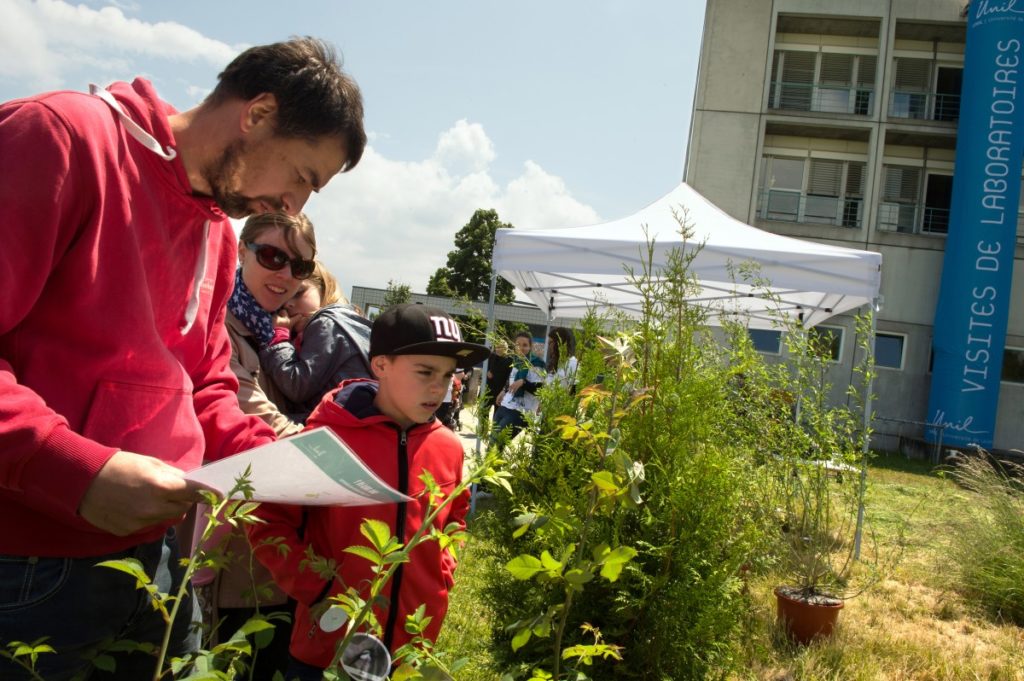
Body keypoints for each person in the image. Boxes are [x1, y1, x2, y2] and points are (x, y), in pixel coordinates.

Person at [0, 36, 367, 680]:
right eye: (303, 177)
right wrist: (75, 471)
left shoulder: (217, 234)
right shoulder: (62, 139)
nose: (292, 207)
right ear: (257, 114)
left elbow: (204, 384)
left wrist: (280, 464)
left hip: (154, 555)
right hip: (29, 564)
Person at [247, 304, 490, 679]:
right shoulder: (329, 439)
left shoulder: (449, 447)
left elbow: (455, 516)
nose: (438, 388)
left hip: (412, 650)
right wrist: (318, 589)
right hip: (327, 649)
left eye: (447, 375)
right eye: (424, 371)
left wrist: (443, 573)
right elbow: (267, 520)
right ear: (380, 366)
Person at [193, 211, 319, 680]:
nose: (285, 275)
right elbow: (249, 412)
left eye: (300, 267)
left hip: (275, 548)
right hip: (230, 552)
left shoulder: (273, 332)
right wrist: (339, 461)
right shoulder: (219, 326)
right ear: (241, 251)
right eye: (272, 256)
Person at [260, 261, 373, 421]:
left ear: (323, 288)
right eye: (284, 297)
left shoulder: (327, 323)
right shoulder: (345, 319)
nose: (289, 304)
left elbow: (297, 386)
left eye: (298, 293)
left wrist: (278, 338)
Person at [491, 331, 546, 447]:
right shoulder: (517, 361)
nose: (521, 348)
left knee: (496, 445)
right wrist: (503, 391)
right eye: (517, 344)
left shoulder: (536, 365)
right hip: (505, 405)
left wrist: (523, 382)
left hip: (520, 411)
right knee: (493, 445)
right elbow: (511, 380)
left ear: (530, 347)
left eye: (525, 345)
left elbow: (539, 391)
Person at [485, 340, 514, 417]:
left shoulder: (510, 360)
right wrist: (487, 372)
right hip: (489, 389)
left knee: (496, 415)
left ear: (505, 349)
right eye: (497, 347)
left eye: (500, 347)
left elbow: (509, 377)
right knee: (484, 412)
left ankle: (494, 429)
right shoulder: (491, 356)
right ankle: (483, 428)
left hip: (500, 391)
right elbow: (486, 368)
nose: (498, 349)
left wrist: (504, 390)